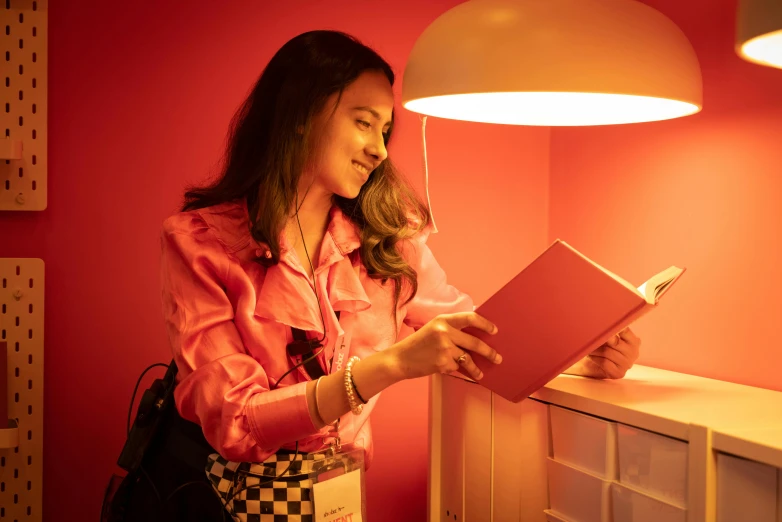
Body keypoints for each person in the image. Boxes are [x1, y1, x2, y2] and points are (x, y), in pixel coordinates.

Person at [124, 30, 641, 521]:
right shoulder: (198, 243)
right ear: (301, 113)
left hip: (336, 498)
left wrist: (584, 351)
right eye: (363, 122)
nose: (379, 149)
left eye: (386, 130)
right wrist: (391, 366)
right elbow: (237, 422)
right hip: (220, 501)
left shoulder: (388, 238)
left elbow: (479, 335)